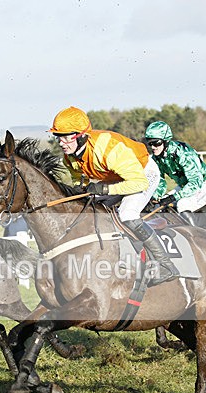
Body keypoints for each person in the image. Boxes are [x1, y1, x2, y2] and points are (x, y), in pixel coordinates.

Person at [49, 106, 178, 284]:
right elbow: (80, 181)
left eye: (66, 136)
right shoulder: (69, 157)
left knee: (127, 214)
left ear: (82, 135)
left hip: (143, 174)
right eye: (58, 137)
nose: (61, 142)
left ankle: (166, 265)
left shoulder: (107, 149)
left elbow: (139, 183)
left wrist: (104, 190)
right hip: (117, 177)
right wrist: (82, 190)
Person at [144, 121, 206, 224]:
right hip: (185, 186)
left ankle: (199, 236)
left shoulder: (183, 153)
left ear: (166, 141)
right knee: (159, 205)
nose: (153, 147)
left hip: (203, 185)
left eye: (156, 143)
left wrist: (175, 197)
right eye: (150, 143)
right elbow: (160, 181)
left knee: (183, 204)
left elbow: (195, 182)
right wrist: (154, 197)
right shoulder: (157, 158)